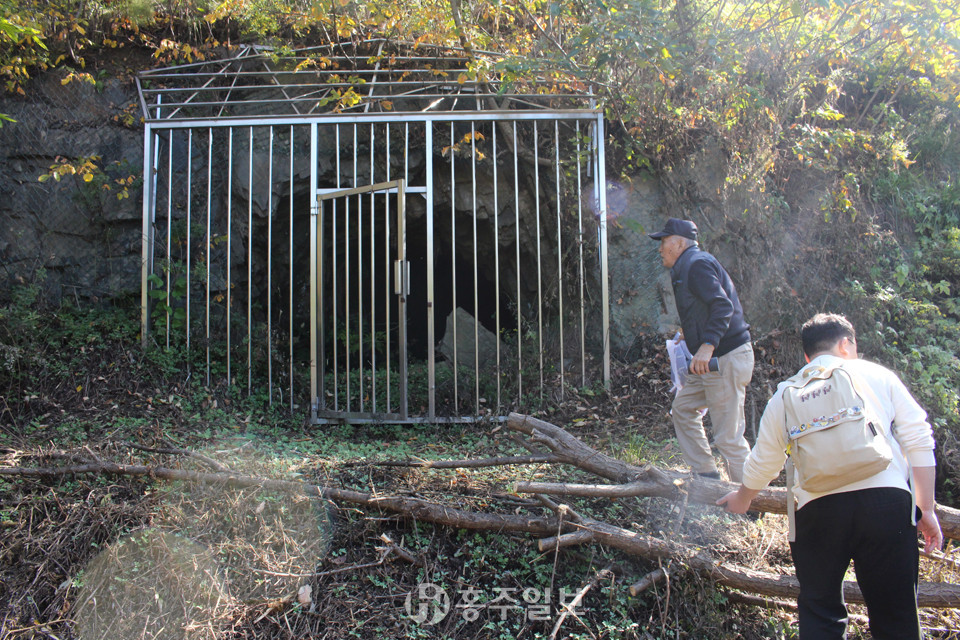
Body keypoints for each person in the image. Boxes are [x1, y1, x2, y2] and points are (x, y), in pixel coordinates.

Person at [718, 313, 942, 639]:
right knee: (896, 615)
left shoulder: (787, 392)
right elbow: (919, 438)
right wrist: (927, 508)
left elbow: (766, 459)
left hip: (816, 510)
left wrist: (744, 498)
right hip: (886, 503)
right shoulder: (876, 374)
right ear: (845, 344)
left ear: (808, 356)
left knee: (820, 611)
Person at [648, 217, 754, 482]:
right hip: (709, 362)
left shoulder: (696, 265)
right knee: (683, 409)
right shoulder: (687, 266)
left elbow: (722, 305)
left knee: (728, 437)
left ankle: (753, 500)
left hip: (724, 359)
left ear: (680, 243)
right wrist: (690, 334)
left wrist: (707, 344)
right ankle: (707, 476)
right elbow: (706, 308)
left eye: (664, 242)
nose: (660, 248)